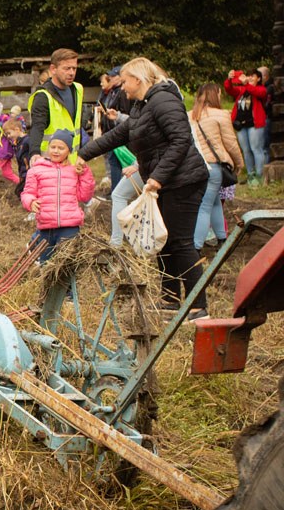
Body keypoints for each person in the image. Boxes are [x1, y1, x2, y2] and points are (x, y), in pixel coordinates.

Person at [79, 57, 210, 320]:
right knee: (164, 241)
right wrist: (84, 154)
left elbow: (180, 140)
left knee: (181, 242)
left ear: (138, 80)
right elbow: (119, 135)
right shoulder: (143, 106)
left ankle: (199, 306)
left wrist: (158, 177)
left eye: (125, 81)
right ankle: (170, 301)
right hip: (166, 181)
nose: (122, 86)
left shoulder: (163, 101)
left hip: (184, 180)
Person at [21, 130, 95, 263]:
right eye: (53, 147)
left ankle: (66, 284)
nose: (56, 151)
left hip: (70, 226)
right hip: (46, 226)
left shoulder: (74, 171)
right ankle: (47, 282)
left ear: (69, 151)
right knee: (46, 263)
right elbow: (27, 193)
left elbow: (84, 195)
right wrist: (30, 202)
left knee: (67, 263)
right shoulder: (36, 170)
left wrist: (84, 173)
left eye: (61, 148)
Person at [190, 83, 243, 250]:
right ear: (215, 95)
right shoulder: (221, 115)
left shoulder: (189, 115)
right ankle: (196, 248)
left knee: (213, 203)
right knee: (205, 205)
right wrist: (239, 163)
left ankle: (222, 238)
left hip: (194, 166)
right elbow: (231, 143)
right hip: (213, 166)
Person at [28, 48, 84, 158]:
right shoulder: (43, 96)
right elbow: (37, 127)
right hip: (50, 164)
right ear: (53, 69)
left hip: (72, 162)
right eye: (67, 69)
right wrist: (34, 153)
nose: (71, 73)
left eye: (74, 68)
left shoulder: (78, 89)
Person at [224, 68, 271, 185]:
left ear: (258, 79)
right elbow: (229, 89)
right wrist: (229, 79)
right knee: (246, 151)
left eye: (252, 76)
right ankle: (250, 176)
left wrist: (246, 84)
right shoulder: (241, 90)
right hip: (241, 125)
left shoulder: (261, 89)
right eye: (248, 75)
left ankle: (259, 176)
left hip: (255, 125)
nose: (249, 78)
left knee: (256, 149)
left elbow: (258, 93)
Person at [95, 65, 132, 194]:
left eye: (112, 76)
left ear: (119, 77)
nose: (109, 78)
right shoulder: (112, 92)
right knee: (113, 161)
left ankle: (117, 191)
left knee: (117, 162)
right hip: (111, 130)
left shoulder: (122, 93)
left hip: (119, 132)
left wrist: (117, 119)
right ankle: (116, 190)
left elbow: (127, 112)